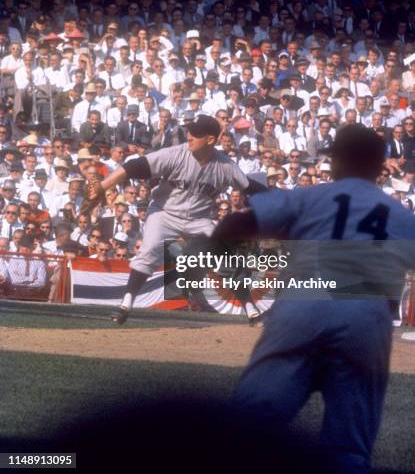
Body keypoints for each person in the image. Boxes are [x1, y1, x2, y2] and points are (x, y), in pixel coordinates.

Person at [212, 125, 415, 473]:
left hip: (303, 304)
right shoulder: (399, 215)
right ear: (380, 166)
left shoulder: (310, 196)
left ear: (335, 161)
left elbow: (232, 226)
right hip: (366, 314)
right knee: (348, 451)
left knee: (248, 429)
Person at [88, 114, 264, 324]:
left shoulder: (224, 165)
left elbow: (251, 187)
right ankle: (125, 304)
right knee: (150, 249)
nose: (189, 136)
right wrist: (103, 186)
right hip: (164, 213)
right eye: (190, 131)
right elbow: (135, 166)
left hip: (198, 218)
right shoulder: (175, 154)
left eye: (196, 133)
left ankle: (250, 307)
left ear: (210, 140)